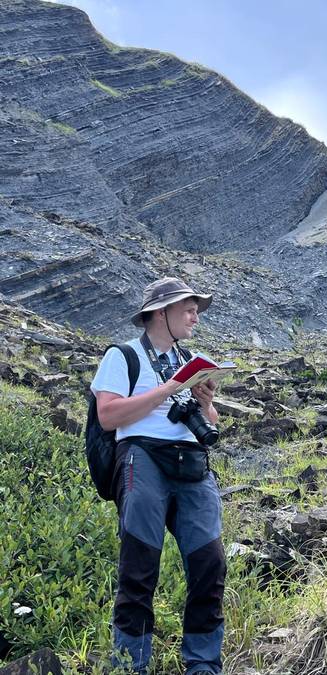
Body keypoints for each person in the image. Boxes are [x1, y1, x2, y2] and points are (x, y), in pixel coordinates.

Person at [90, 277, 226, 675]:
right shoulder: (124, 356)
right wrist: (169, 388)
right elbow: (109, 415)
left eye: (196, 311)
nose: (194, 318)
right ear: (160, 312)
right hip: (142, 458)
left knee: (210, 565)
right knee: (139, 567)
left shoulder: (193, 360)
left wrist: (206, 403)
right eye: (188, 310)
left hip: (192, 463)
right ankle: (130, 666)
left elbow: (211, 423)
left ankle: (203, 666)